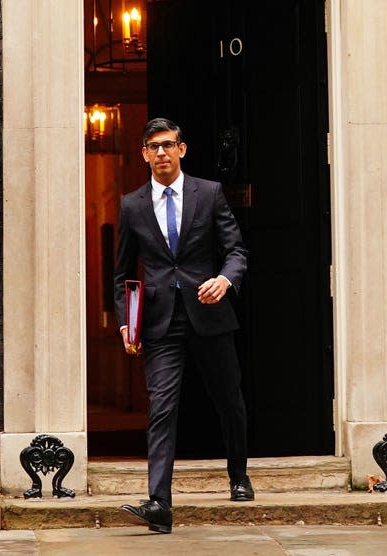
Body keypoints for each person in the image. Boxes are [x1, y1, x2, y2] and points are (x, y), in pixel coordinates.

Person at [114, 117, 253, 535]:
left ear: (182, 149)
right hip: (159, 322)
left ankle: (239, 476)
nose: (161, 153)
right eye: (153, 146)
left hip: (209, 313)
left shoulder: (208, 194)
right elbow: (121, 274)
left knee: (228, 399)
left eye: (168, 145)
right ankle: (159, 501)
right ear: (143, 154)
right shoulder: (131, 205)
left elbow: (236, 250)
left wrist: (225, 280)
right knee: (162, 408)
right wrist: (125, 322)